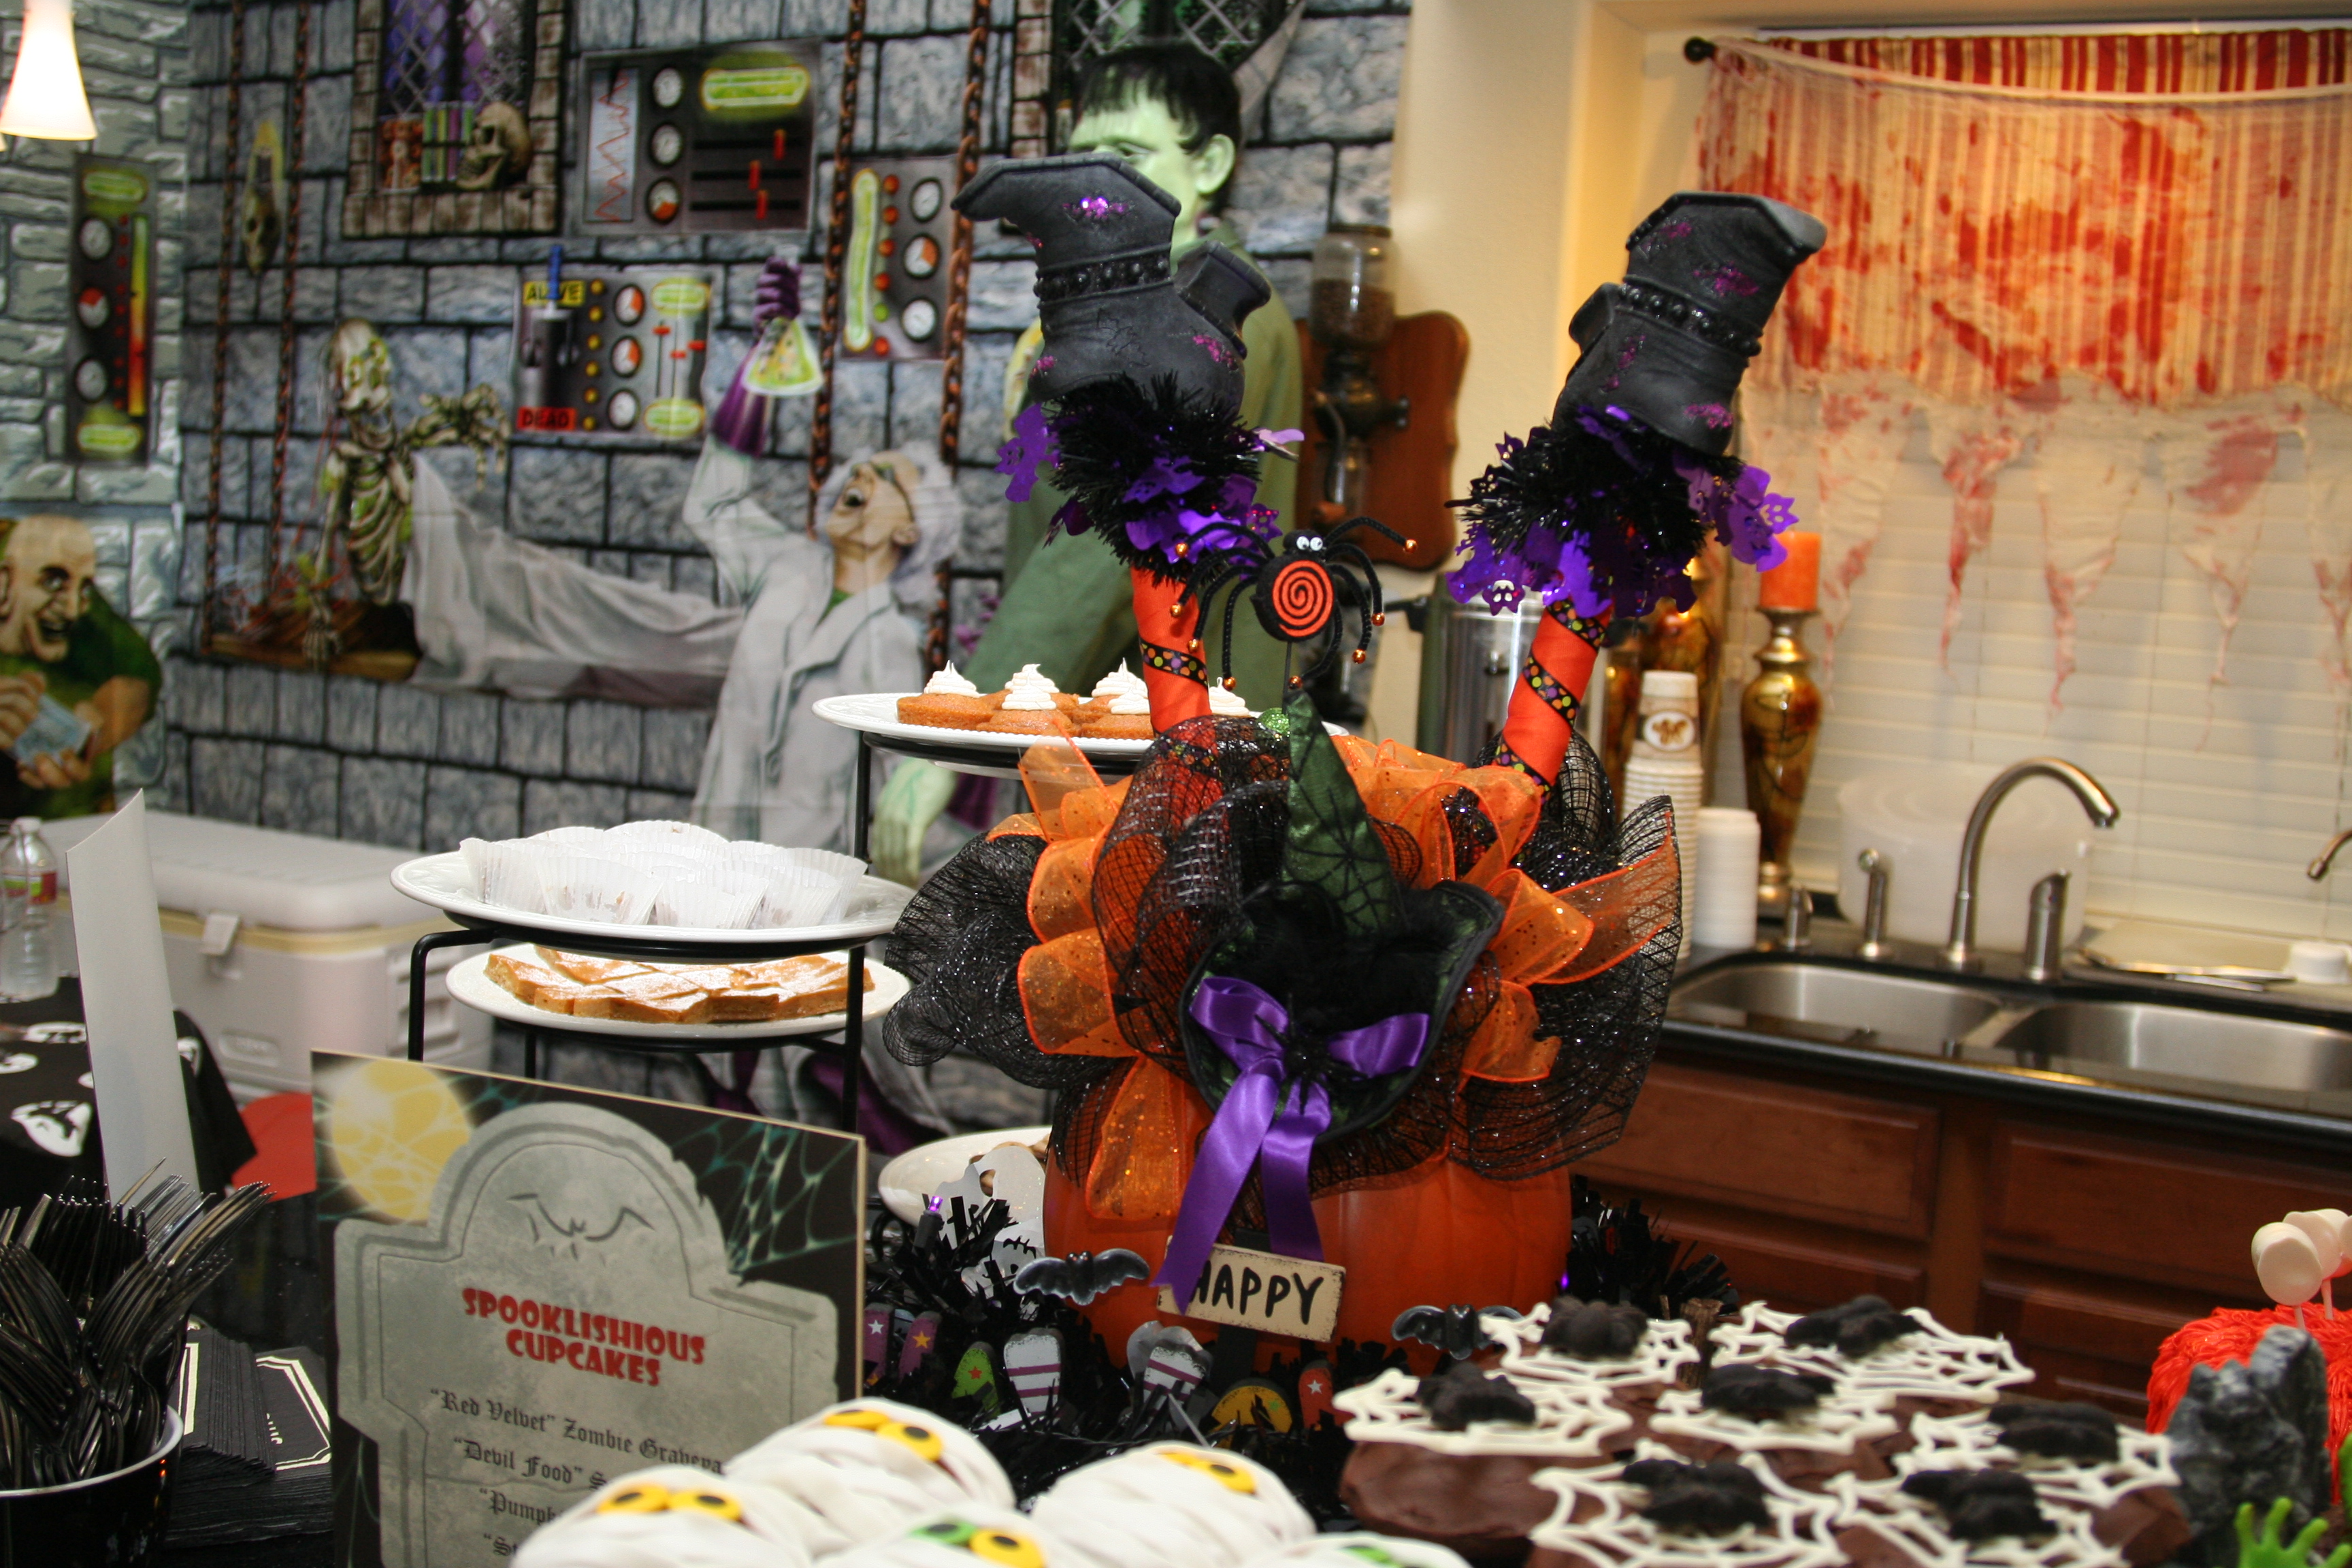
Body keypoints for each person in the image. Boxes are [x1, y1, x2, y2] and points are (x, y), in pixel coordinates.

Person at [869, 41, 1305, 883]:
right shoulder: (1129, 305)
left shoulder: (1212, 319)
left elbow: (1106, 541)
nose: (1098, 183)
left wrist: (967, 724)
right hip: (1117, 726)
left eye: (1130, 155)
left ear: (1210, 163)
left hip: (1174, 738)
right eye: (1087, 155)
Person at [683, 441, 960, 851]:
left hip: (804, 865)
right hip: (712, 844)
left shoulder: (889, 640)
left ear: (909, 530)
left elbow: (901, 778)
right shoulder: (784, 566)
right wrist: (746, 412)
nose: (860, 475)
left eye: (884, 476)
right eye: (859, 468)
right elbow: (713, 508)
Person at [0, 514, 161, 819]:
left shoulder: (33, 548)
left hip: (59, 826)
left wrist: (87, 736)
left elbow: (137, 674)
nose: (74, 608)